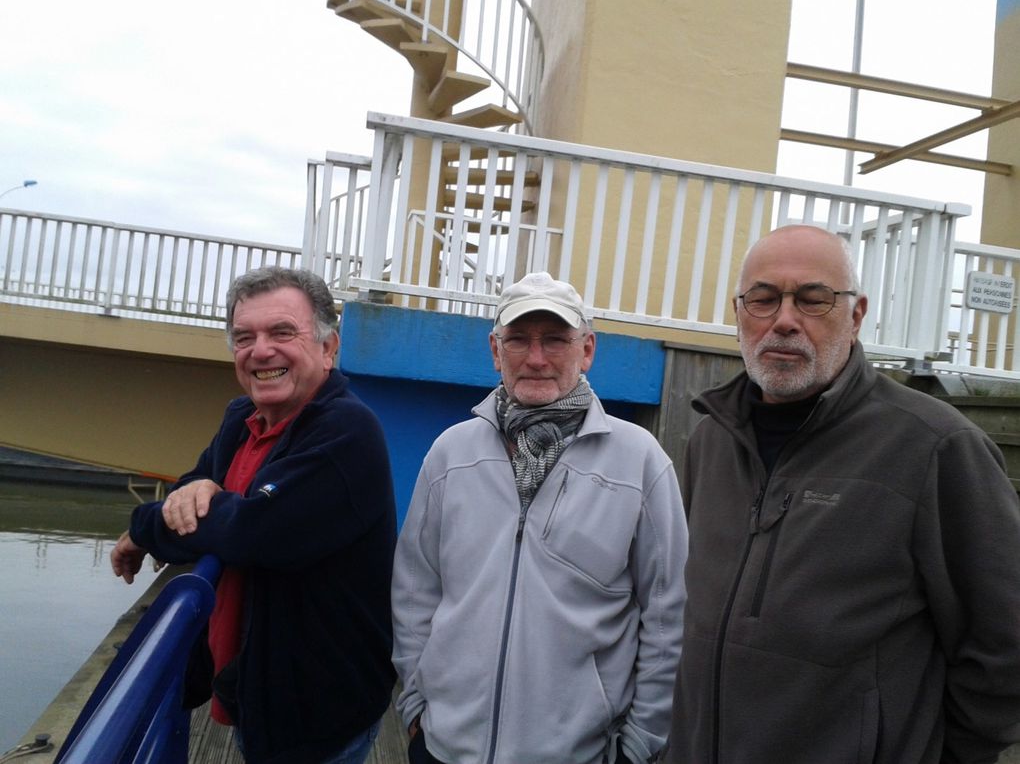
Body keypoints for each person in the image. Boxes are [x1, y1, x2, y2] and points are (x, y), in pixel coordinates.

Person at [666, 224, 1020, 764]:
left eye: (813, 299)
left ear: (855, 316)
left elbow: (1003, 645)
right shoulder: (711, 439)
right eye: (763, 299)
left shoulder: (936, 449)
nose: (784, 320)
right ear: (738, 313)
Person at [391, 271, 688, 764]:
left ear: (587, 349)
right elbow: (415, 588)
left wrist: (639, 744)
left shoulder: (640, 462)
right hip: (443, 746)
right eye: (518, 341)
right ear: (494, 349)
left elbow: (667, 616)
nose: (535, 358)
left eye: (555, 340)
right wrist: (418, 705)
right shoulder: (451, 453)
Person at [111, 266, 397, 764]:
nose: (260, 350)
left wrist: (143, 530)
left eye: (282, 332)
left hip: (315, 715)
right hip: (251, 689)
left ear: (328, 348)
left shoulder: (347, 431)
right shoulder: (239, 420)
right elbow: (188, 504)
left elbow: (252, 534)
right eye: (244, 337)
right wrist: (195, 501)